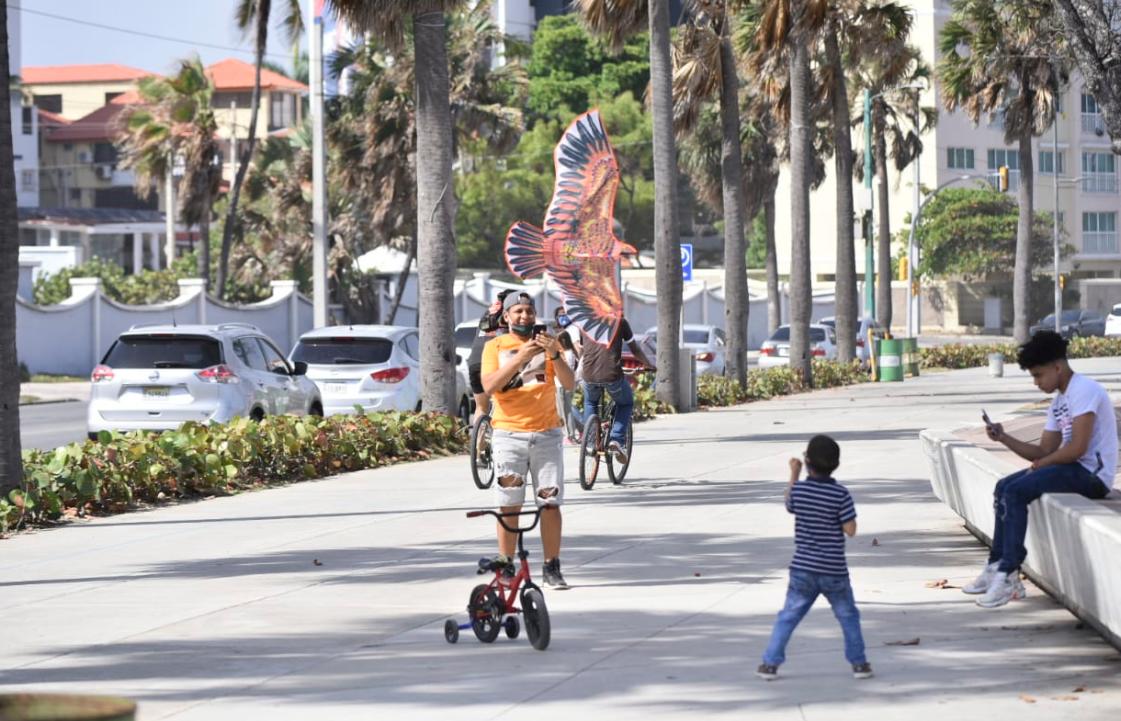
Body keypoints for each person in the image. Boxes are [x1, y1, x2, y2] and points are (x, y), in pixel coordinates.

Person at [966, 330, 1116, 608]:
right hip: (1071, 468)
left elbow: (1078, 448)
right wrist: (1004, 437)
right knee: (1004, 487)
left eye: (1038, 375)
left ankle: (1009, 573)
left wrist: (1041, 465)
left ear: (1057, 367)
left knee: (1016, 492)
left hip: (1093, 475)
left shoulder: (1085, 390)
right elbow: (1044, 451)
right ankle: (997, 565)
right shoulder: (1059, 401)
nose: (1036, 383)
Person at [481, 291, 576, 589]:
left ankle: (552, 566)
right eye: (518, 311)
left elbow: (570, 383)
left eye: (529, 311)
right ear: (507, 316)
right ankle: (506, 564)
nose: (524, 316)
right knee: (510, 504)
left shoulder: (550, 344)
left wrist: (554, 354)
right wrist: (521, 357)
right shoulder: (494, 346)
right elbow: (489, 387)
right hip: (508, 435)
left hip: (546, 433)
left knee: (550, 502)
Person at [757, 435, 872, 681]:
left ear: (807, 461)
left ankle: (770, 664)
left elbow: (789, 504)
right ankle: (859, 664)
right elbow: (850, 530)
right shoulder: (840, 494)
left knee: (788, 616)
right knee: (848, 616)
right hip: (834, 570)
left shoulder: (799, 491)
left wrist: (793, 473)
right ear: (836, 465)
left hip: (803, 570)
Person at [576, 315, 653, 465]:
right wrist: (648, 365)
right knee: (625, 403)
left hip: (589, 374)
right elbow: (635, 349)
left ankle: (590, 444)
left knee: (591, 402)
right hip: (611, 375)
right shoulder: (620, 322)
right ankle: (616, 439)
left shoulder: (584, 323)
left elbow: (584, 349)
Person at [467, 289, 512, 424]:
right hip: (494, 361)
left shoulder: (487, 315)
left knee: (480, 407)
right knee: (505, 400)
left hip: (474, 361)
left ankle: (477, 443)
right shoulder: (508, 316)